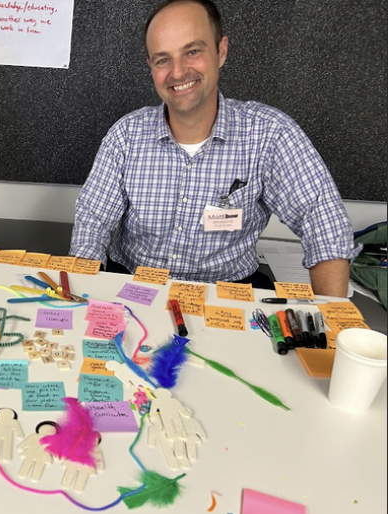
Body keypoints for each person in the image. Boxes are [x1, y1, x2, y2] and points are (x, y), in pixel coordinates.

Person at [69, 0, 357, 297]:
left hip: (227, 292)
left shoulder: (270, 134)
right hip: (133, 284)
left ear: (221, 51)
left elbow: (323, 223)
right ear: (151, 68)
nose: (178, 72)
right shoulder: (126, 136)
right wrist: (82, 295)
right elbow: (93, 220)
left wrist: (329, 322)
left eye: (192, 51)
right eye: (162, 59)